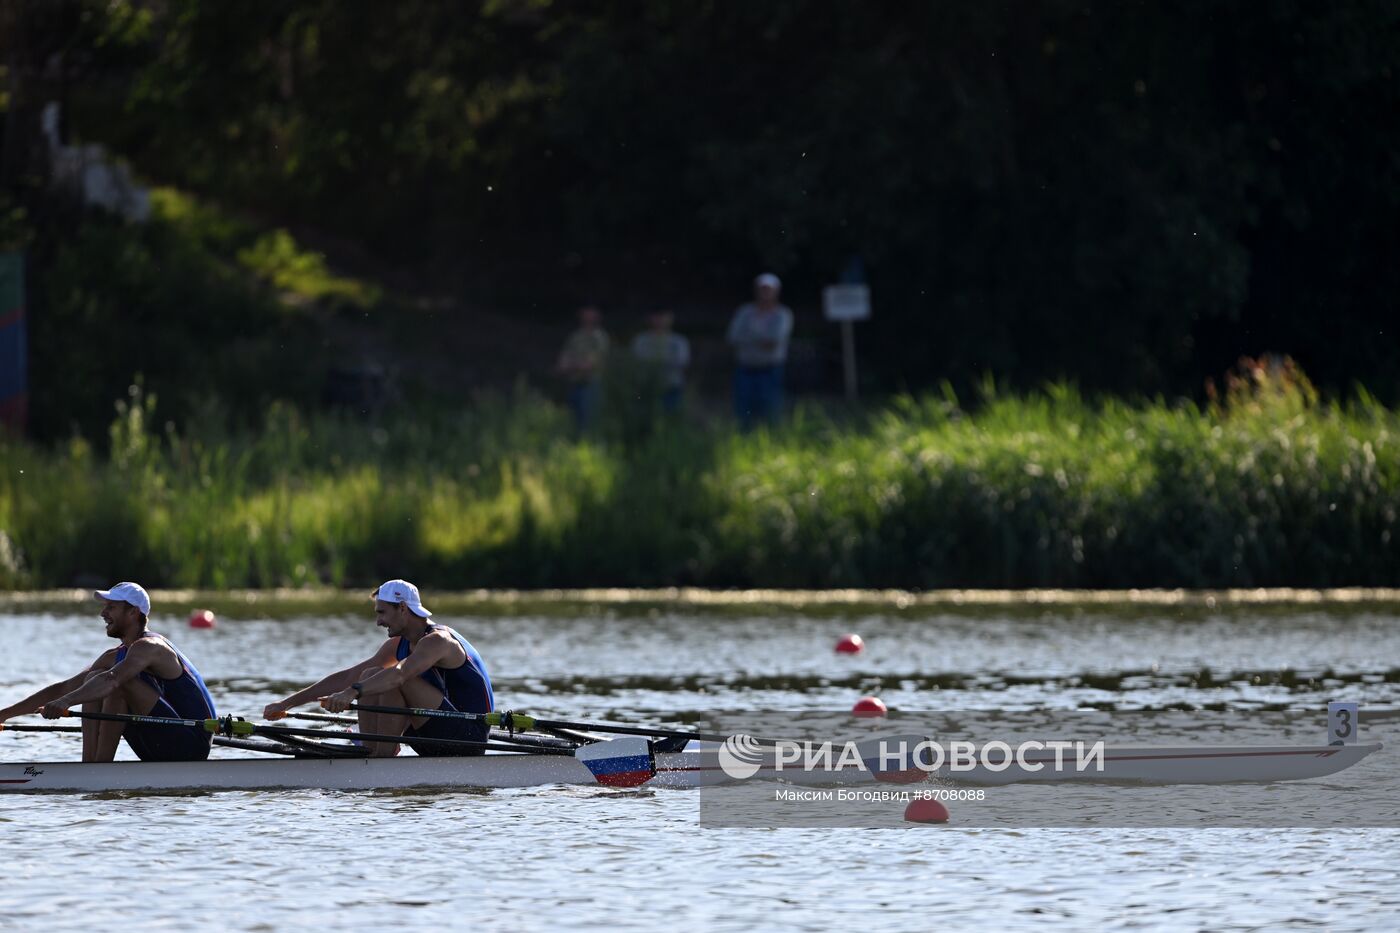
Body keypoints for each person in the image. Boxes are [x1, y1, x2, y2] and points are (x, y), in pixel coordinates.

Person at [262, 579, 494, 757]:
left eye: (382, 612)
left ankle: (381, 756)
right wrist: (286, 704)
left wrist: (351, 693)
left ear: (403, 608)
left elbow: (400, 675)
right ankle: (372, 751)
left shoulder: (438, 641)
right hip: (434, 734)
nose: (378, 621)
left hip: (467, 739)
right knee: (369, 675)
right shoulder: (398, 645)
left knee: (393, 678)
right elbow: (350, 676)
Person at [0, 582, 216, 762]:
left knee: (115, 683)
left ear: (133, 612)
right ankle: (90, 768)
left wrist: (66, 702)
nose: (103, 613)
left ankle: (100, 771)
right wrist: (5, 714)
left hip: (191, 744)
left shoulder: (151, 647)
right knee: (93, 679)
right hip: (160, 742)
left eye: (111, 607)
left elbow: (112, 680)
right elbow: (64, 687)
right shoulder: (114, 656)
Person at [726, 273, 794, 430]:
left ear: (777, 291)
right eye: (762, 289)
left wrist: (748, 337)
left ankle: (771, 441)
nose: (765, 293)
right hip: (745, 368)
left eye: (769, 289)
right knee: (743, 412)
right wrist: (761, 340)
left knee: (771, 410)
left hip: (770, 369)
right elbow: (732, 337)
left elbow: (773, 342)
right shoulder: (744, 311)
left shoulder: (782, 314)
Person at [555, 305, 610, 433]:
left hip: (591, 384)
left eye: (591, 311)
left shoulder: (600, 337)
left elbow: (590, 364)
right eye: (586, 310)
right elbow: (564, 359)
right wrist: (572, 365)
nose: (588, 314)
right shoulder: (575, 336)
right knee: (573, 422)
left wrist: (570, 366)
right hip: (574, 383)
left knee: (589, 422)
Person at [630, 309, 690, 413]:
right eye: (656, 316)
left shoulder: (679, 341)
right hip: (647, 388)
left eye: (663, 316)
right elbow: (636, 360)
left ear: (670, 319)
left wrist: (656, 361)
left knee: (671, 418)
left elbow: (683, 361)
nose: (660, 320)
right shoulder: (641, 340)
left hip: (671, 387)